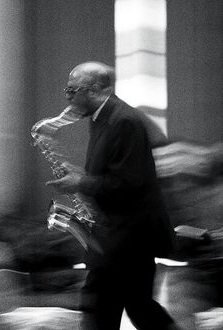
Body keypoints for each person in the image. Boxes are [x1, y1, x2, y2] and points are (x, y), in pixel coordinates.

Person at [46, 61, 179, 330]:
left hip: (127, 236)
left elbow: (130, 184)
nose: (67, 97)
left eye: (73, 90)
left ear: (95, 89)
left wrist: (82, 182)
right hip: (120, 235)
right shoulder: (102, 118)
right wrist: (81, 176)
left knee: (101, 307)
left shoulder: (123, 121)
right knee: (139, 308)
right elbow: (115, 173)